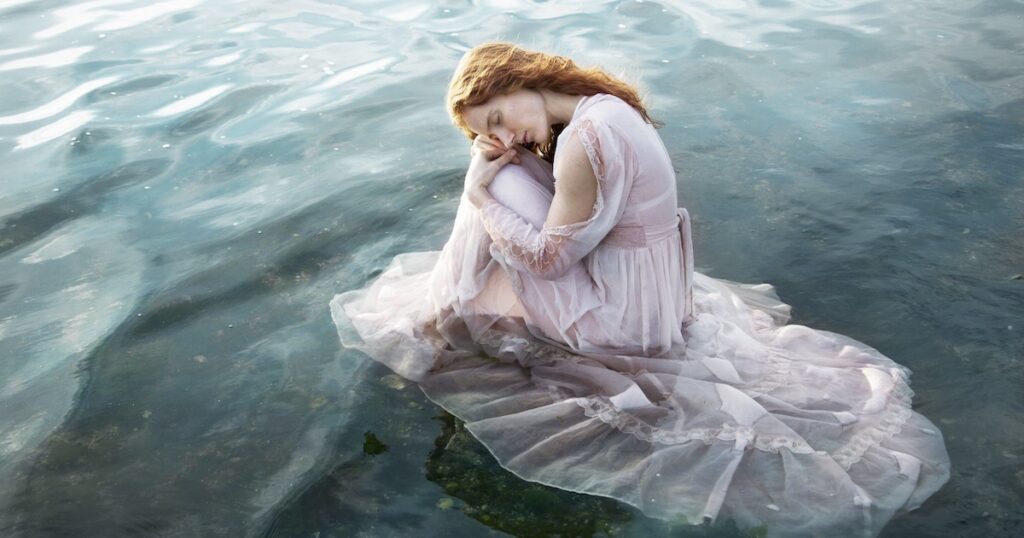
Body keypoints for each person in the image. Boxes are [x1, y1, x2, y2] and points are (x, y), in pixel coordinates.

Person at [329, 42, 950, 536]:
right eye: (487, 131)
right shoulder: (606, 107)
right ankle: (452, 300)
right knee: (505, 171)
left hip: (618, 320)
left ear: (516, 79)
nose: (505, 136)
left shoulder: (583, 140)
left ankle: (447, 311)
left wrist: (479, 194)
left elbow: (548, 260)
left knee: (495, 184)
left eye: (496, 119)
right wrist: (502, 165)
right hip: (657, 299)